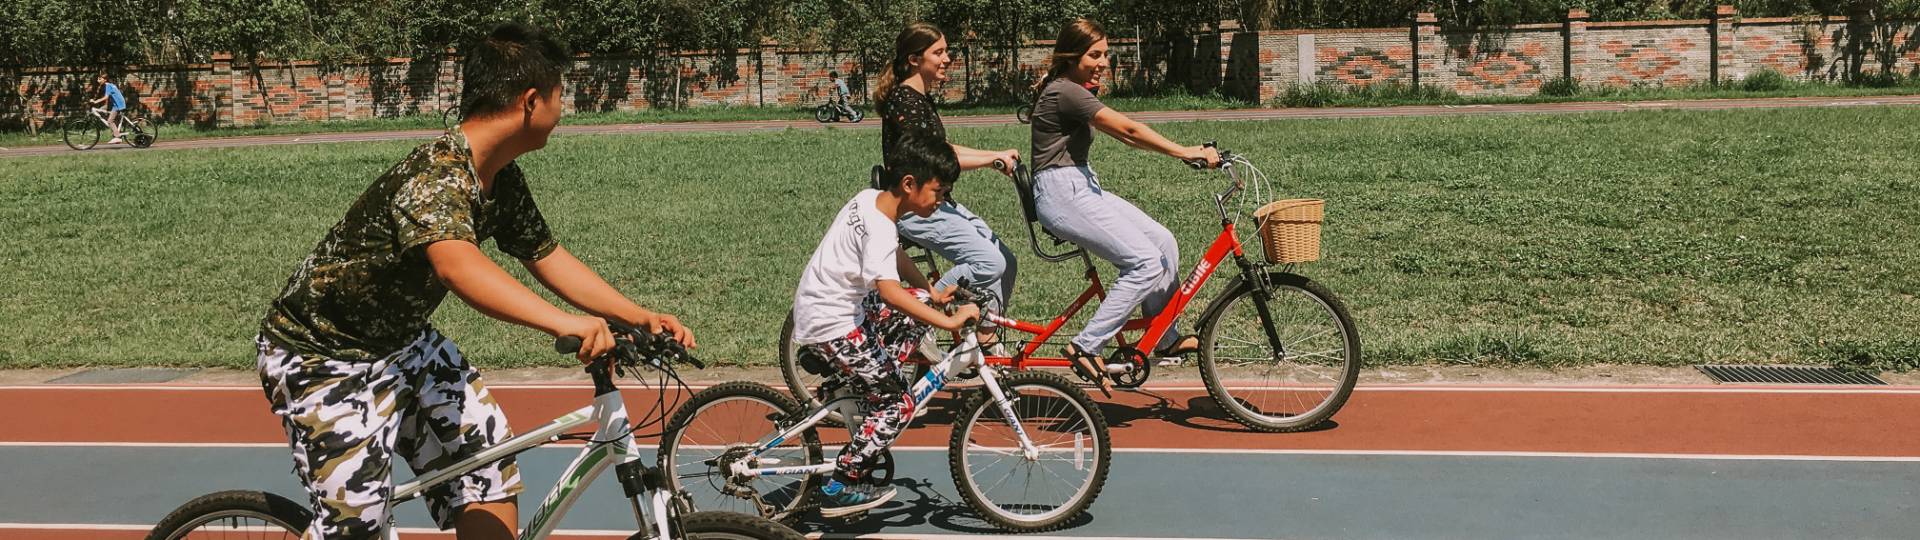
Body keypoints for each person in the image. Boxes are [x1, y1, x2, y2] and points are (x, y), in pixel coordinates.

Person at [253, 23, 693, 540]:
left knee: (488, 474)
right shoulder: (437, 175)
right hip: (322, 359)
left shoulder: (499, 175)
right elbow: (458, 266)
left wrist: (635, 315)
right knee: (358, 528)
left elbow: (545, 255)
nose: (562, 110)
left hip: (406, 345)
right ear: (531, 101)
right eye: (559, 96)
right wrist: (563, 322)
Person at [790, 131, 979, 518]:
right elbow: (891, 293)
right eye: (938, 192)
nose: (941, 200)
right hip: (833, 322)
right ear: (909, 184)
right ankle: (841, 483)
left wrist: (931, 292)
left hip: (830, 306)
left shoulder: (869, 200)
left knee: (920, 304)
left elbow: (893, 256)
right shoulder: (879, 225)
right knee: (899, 402)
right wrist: (949, 322)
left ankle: (860, 381)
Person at [1028, 19, 1221, 387]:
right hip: (1061, 193)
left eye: (1106, 55)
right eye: (1094, 55)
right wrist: (1185, 152)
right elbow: (1130, 129)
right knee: (1145, 262)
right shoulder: (1065, 91)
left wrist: (1184, 152)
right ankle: (1086, 346)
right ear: (1071, 56)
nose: (1103, 62)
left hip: (1079, 186)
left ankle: (1164, 336)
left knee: (1163, 241)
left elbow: (1128, 138)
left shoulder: (1072, 89)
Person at [872, 23, 1021, 352]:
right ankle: (921, 319)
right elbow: (936, 157)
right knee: (989, 263)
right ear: (914, 59)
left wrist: (994, 156)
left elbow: (944, 147)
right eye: (938, 52)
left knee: (1007, 261)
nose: (947, 58)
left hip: (939, 203)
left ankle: (984, 335)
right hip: (916, 209)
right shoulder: (903, 103)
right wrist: (990, 159)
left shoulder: (919, 100)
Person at [89, 72, 126, 144]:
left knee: (110, 121)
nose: (98, 80)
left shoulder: (108, 86)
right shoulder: (109, 85)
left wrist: (95, 102)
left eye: (100, 79)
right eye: (98, 79)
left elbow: (106, 97)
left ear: (105, 80)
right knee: (102, 109)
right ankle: (115, 130)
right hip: (114, 104)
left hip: (118, 105)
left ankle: (117, 137)